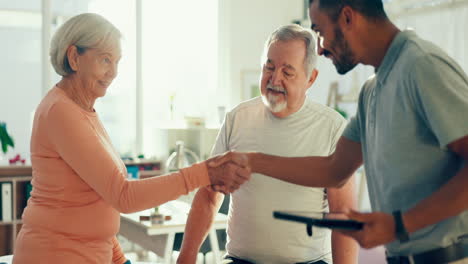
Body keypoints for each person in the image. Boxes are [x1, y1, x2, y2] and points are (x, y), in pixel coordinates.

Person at [211, 0, 468, 263]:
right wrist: (252, 161)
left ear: (347, 17)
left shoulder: (421, 65)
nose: (320, 48)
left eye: (320, 30)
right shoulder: (372, 90)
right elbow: (333, 169)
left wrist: (399, 224)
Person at [12, 13, 250, 264]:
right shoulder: (60, 112)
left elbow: (94, 201)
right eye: (105, 60)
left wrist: (119, 258)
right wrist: (205, 173)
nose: (113, 72)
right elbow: (123, 195)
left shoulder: (84, 111)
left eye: (117, 62)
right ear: (74, 57)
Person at [177, 24, 358, 264]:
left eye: (287, 72)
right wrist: (185, 258)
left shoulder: (332, 128)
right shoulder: (237, 119)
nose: (275, 79)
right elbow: (210, 196)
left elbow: (342, 215)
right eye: (269, 68)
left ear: (311, 78)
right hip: (240, 261)